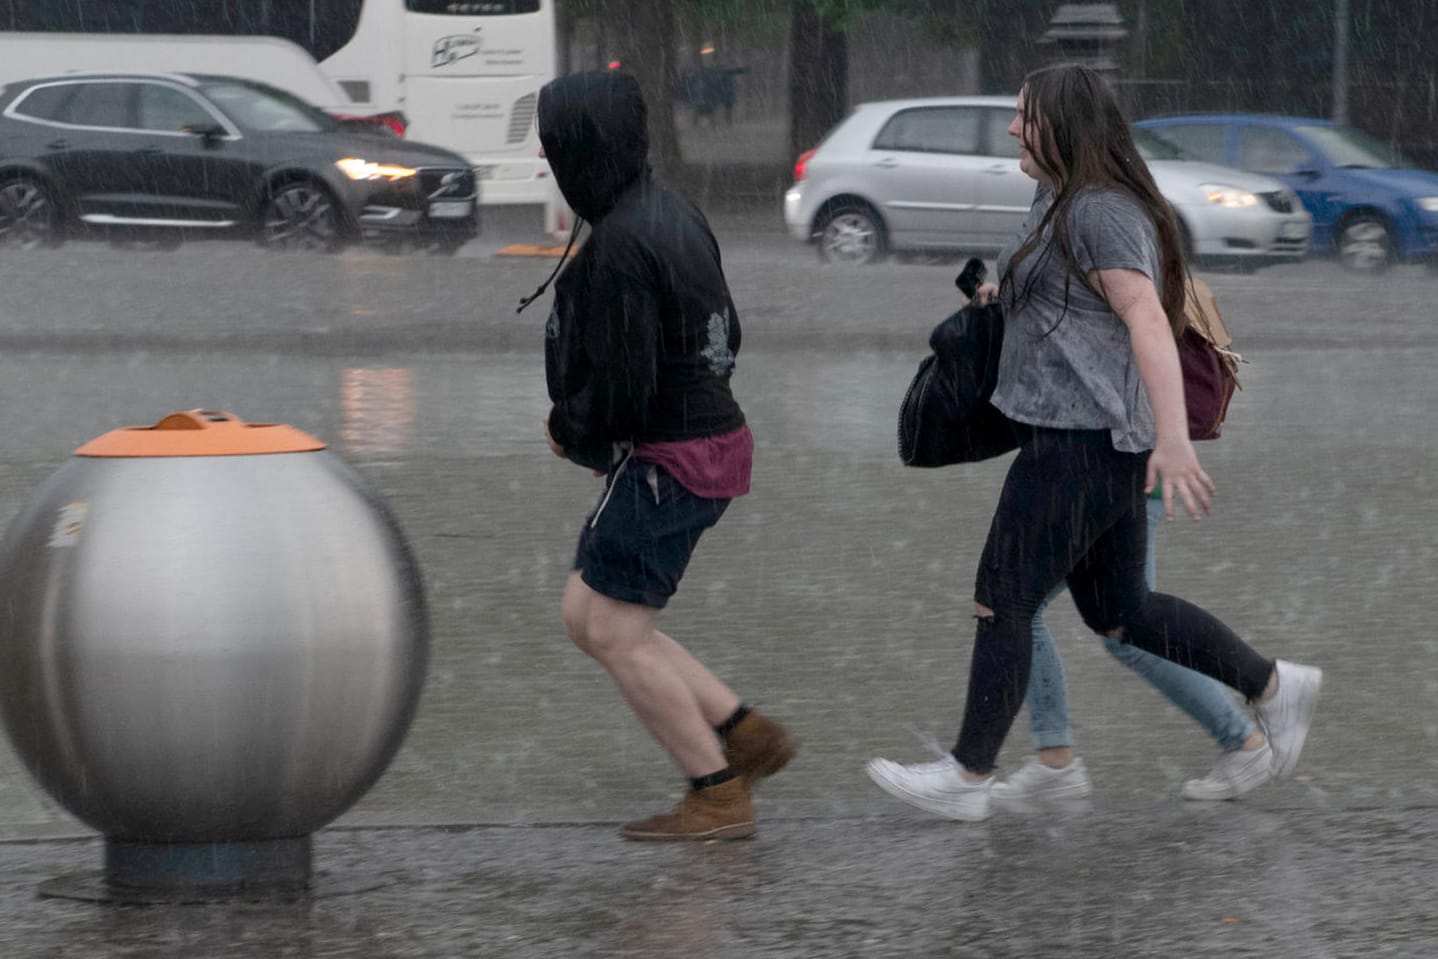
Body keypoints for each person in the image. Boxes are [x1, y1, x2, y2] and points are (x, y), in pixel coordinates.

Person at [866, 63, 1321, 822]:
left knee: (1002, 600)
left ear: (1063, 127)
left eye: (1025, 116)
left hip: (1083, 441)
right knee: (1123, 611)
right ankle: (1274, 685)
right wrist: (997, 295)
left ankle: (969, 774)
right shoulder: (1057, 200)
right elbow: (1079, 308)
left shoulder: (1102, 211)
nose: (1012, 127)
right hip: (1087, 440)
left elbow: (1146, 319)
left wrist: (1173, 442)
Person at [531, 70, 796, 841]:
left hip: (672, 460)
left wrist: (573, 431)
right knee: (591, 615)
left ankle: (717, 793)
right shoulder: (672, 210)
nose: (550, 164)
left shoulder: (618, 244)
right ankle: (744, 731)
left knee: (612, 630)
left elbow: (624, 383)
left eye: (555, 149)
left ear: (583, 149)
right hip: (707, 443)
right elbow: (727, 334)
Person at [996, 488, 1272, 805]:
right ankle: (1054, 760)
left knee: (1019, 606)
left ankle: (1253, 720)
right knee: (1124, 631)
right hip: (1107, 476)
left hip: (1105, 476)